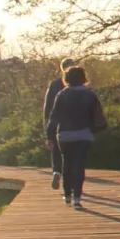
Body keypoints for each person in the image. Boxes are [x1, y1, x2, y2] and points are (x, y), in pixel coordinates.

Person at [45, 64, 106, 209]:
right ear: (84, 78)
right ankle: (77, 198)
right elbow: (97, 115)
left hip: (65, 136)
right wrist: (95, 130)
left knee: (67, 163)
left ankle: (67, 195)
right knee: (79, 166)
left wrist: (49, 136)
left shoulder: (62, 94)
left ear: (67, 79)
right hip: (83, 135)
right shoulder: (90, 95)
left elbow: (54, 117)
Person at [42, 59, 74, 190]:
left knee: (55, 148)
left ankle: (56, 171)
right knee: (71, 151)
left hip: (56, 121)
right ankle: (70, 178)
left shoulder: (55, 84)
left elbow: (48, 104)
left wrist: (46, 121)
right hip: (73, 123)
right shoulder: (77, 85)